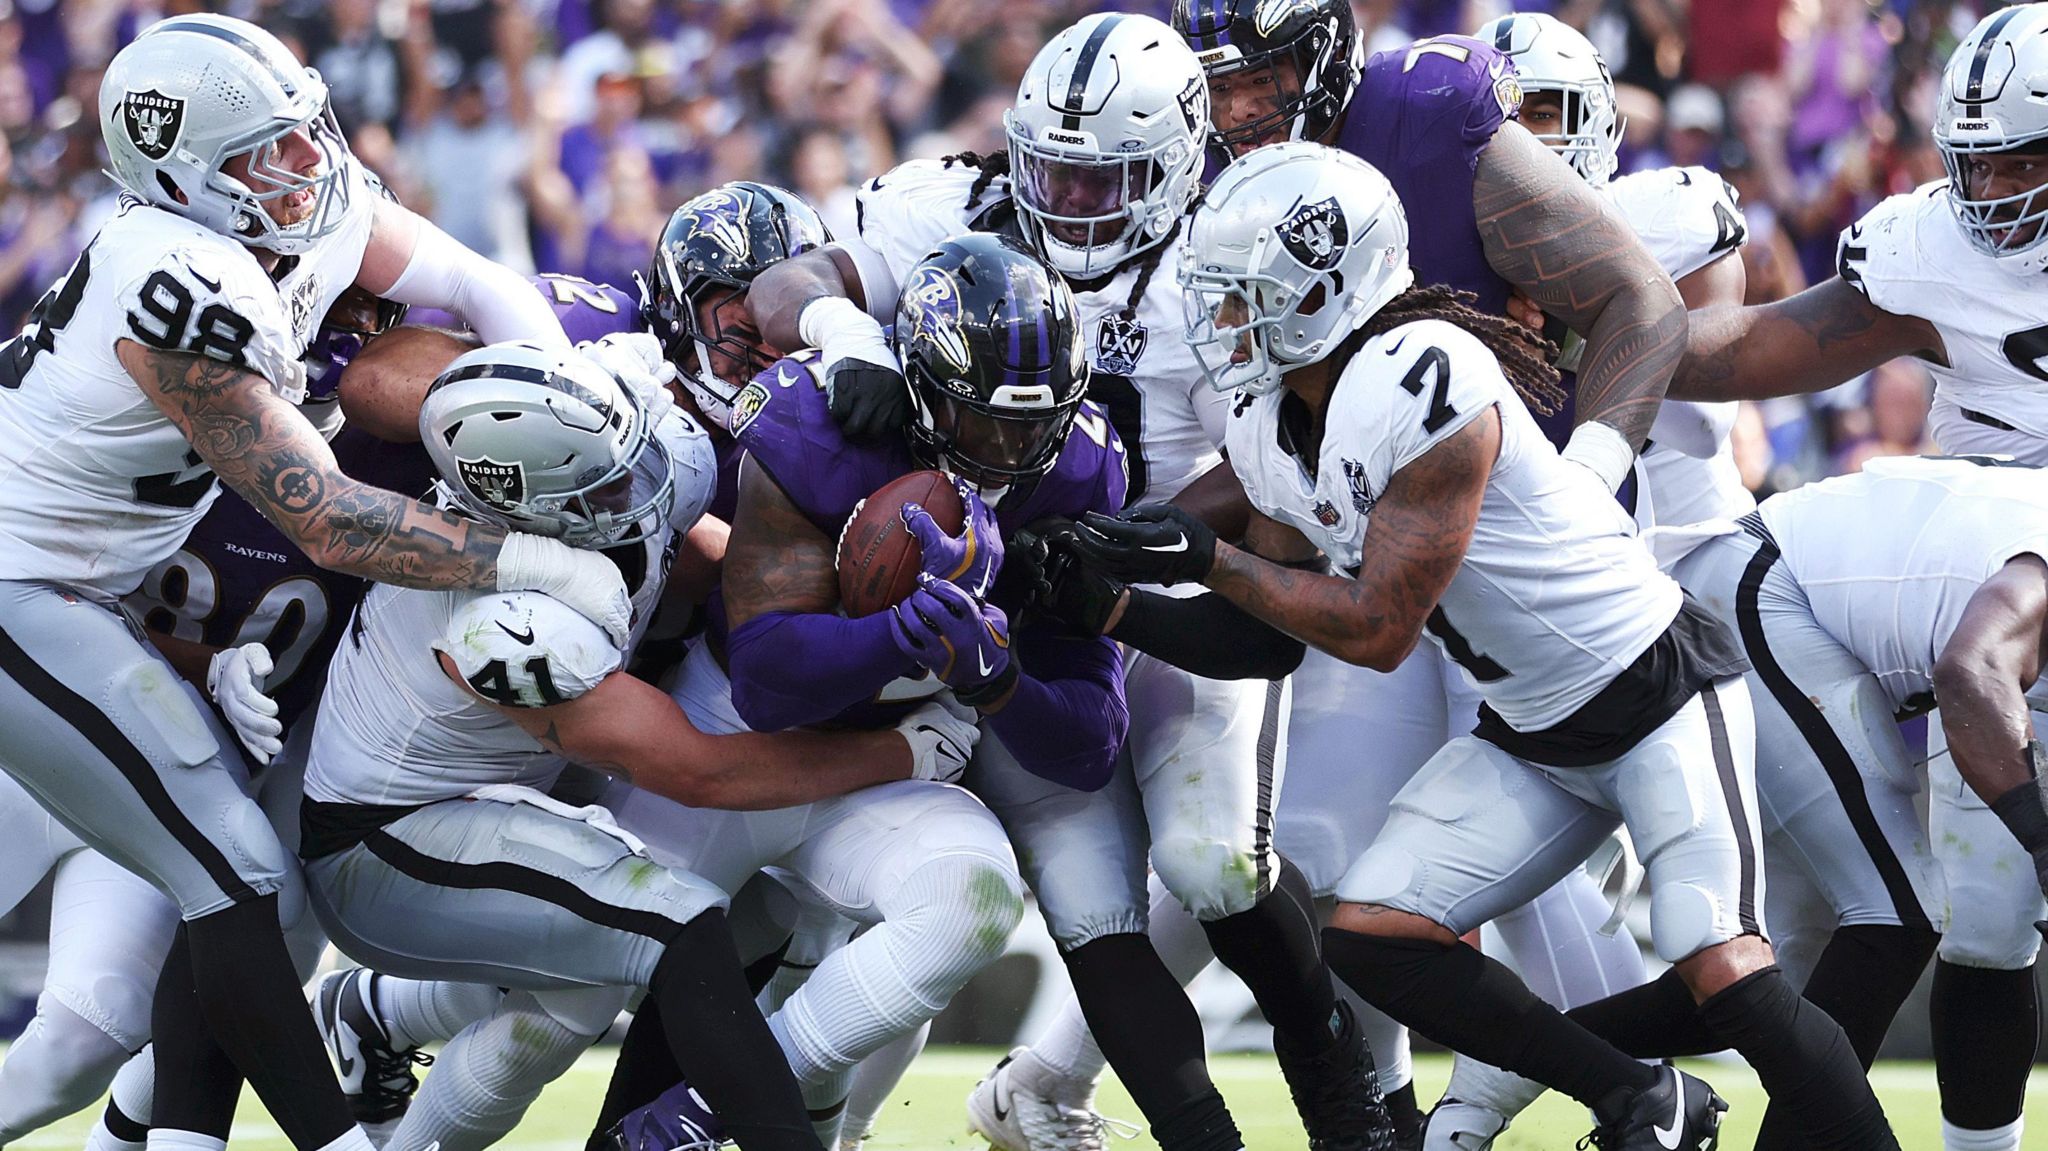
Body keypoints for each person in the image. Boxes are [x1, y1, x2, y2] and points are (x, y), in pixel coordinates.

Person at [1059, 142, 1899, 1151]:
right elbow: (1263, 639)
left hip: (1651, 690)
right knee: (1372, 935)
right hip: (1532, 727)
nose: (1221, 321)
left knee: (1719, 964)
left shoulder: (1424, 373)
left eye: (1244, 295)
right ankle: (1639, 1095)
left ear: (1325, 286)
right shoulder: (1272, 420)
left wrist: (1213, 559)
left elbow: (1374, 628)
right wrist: (1108, 610)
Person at [746, 16, 1394, 1151]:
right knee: (1080, 893)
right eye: (1055, 173)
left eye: (1110, 183)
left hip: (1157, 574)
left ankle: (1350, 1106)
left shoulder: (1232, 240)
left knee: (1210, 859)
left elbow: (1270, 463)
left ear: (1179, 163)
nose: (1076, 205)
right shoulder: (955, 197)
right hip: (999, 585)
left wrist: (1123, 539)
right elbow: (786, 278)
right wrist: (845, 335)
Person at [0, 16, 636, 1151]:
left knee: (208, 912)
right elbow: (330, 520)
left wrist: (563, 405)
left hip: (92, 609)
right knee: (237, 875)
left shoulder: (311, 219)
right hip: (23, 589)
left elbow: (485, 283)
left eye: (302, 135)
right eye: (264, 153)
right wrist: (544, 556)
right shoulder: (176, 277)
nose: (304, 169)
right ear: (182, 175)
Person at [300, 340, 978, 1151]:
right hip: (385, 841)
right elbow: (698, 769)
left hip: (514, 787)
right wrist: (904, 751)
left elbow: (686, 562)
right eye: (607, 483)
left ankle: (372, 1012)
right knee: (666, 926)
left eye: (628, 456)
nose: (642, 483)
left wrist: (812, 602)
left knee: (748, 917)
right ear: (515, 507)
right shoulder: (498, 620)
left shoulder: (628, 459)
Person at [598, 232, 1122, 1151]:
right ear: (920, 393)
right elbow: (764, 680)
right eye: (984, 421)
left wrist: (996, 678)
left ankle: (700, 1122)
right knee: (564, 999)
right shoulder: (825, 424)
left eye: (1032, 427)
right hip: (734, 732)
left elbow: (1090, 741)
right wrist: (899, 632)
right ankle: (378, 1016)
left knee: (972, 900)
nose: (1010, 451)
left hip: (883, 768)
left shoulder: (1079, 467)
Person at [1665, 8, 2048, 1145]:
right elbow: (1758, 347)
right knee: (1981, 921)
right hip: (1975, 584)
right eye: (1971, 161)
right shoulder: (1926, 247)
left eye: (2019, 160)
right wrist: (1607, 339)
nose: (1990, 191)